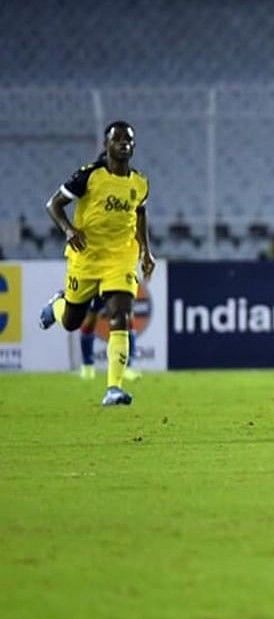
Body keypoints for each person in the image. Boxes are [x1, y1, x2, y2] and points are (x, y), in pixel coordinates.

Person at [39, 120, 154, 406]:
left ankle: (113, 388)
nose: (123, 144)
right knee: (72, 321)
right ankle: (57, 304)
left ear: (134, 146)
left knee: (122, 316)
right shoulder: (88, 176)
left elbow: (139, 214)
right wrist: (68, 230)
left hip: (121, 256)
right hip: (86, 255)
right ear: (106, 145)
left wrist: (146, 252)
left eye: (128, 140)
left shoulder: (140, 183)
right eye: (117, 140)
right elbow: (53, 205)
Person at [76, 295, 141, 381]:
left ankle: (126, 367)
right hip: (99, 285)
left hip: (120, 284)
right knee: (89, 321)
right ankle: (87, 367)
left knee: (127, 318)